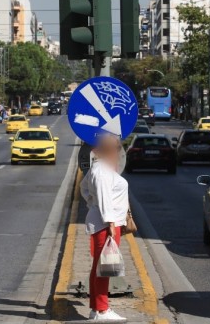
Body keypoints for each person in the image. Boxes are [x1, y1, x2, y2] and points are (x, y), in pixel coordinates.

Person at [80, 134, 128, 322]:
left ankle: (96, 308)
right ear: (109, 149)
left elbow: (84, 189)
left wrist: (92, 203)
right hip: (105, 224)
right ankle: (102, 309)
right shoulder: (101, 170)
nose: (118, 152)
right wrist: (110, 223)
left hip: (105, 221)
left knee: (99, 267)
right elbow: (104, 197)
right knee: (105, 267)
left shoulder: (101, 168)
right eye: (116, 148)